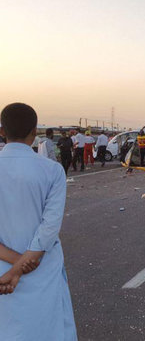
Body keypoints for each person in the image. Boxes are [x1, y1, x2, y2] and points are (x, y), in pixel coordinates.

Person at [0, 103, 77, 340]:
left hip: (3, 272)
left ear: (2, 131)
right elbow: (48, 229)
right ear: (35, 132)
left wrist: (14, 266)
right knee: (48, 329)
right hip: (42, 268)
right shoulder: (52, 171)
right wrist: (23, 265)